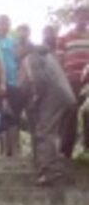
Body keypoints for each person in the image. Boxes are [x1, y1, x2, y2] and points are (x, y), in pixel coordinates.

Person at [24, 46, 78, 185]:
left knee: (44, 131)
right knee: (54, 132)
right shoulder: (49, 57)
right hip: (66, 97)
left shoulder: (31, 58)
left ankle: (49, 171)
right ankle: (56, 167)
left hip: (54, 97)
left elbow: (39, 81)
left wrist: (36, 99)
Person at [0, 15, 26, 157]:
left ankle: (13, 150)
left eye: (6, 24)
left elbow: (22, 62)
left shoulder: (13, 42)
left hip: (13, 84)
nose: (3, 26)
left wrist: (19, 80)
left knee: (13, 117)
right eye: (0, 23)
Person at [57, 6, 89, 157]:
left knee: (88, 114)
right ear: (74, 18)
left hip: (88, 83)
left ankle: (87, 149)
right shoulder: (64, 38)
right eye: (80, 15)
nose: (83, 19)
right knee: (70, 114)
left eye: (85, 16)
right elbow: (59, 61)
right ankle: (65, 151)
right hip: (70, 81)